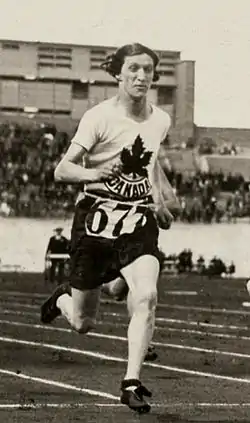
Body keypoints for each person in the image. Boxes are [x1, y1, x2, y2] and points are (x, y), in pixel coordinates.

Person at [40, 42, 176, 413]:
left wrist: (162, 199)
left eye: (148, 69)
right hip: (95, 222)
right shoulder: (98, 117)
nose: (141, 76)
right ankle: (63, 298)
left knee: (147, 294)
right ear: (118, 74)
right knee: (84, 323)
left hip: (137, 221)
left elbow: (151, 161)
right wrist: (94, 173)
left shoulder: (160, 119)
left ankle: (131, 382)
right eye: (133, 69)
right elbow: (62, 170)